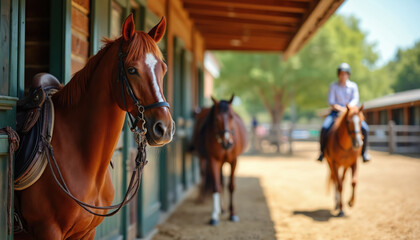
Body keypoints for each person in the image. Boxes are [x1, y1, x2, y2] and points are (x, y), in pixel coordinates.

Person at [317, 63, 371, 162]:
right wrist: (343, 109)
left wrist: (348, 110)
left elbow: (355, 100)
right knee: (325, 127)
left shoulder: (353, 86)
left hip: (350, 114)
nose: (343, 76)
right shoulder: (333, 86)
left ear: (348, 75)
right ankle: (322, 152)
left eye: (345, 74)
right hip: (336, 113)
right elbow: (331, 102)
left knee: (365, 128)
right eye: (341, 74)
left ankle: (364, 153)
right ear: (338, 75)